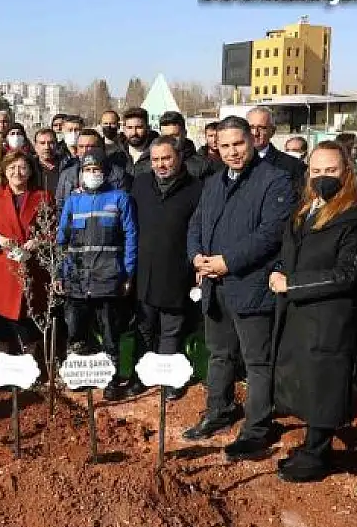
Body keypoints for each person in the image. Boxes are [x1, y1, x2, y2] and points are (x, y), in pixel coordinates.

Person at [185, 115, 295, 461]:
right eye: (225, 145)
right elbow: (197, 223)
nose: (232, 151)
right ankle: (219, 411)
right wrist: (197, 257)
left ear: (252, 141)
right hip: (215, 288)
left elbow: (269, 235)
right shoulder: (214, 182)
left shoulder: (275, 181)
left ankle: (256, 429)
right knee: (219, 355)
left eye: (239, 144)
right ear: (215, 146)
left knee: (257, 362)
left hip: (251, 288)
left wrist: (226, 262)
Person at [270, 141, 357, 483]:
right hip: (301, 312)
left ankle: (318, 454)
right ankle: (312, 446)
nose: (322, 177)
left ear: (346, 172)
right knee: (308, 380)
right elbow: (290, 252)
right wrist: (279, 272)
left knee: (325, 384)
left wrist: (294, 284)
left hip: (330, 315)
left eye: (330, 170)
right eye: (316, 170)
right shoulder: (306, 210)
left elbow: (349, 273)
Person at [126, 136, 203, 401]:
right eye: (156, 159)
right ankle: (142, 375)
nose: (161, 165)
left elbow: (200, 231)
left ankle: (170, 378)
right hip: (144, 270)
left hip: (177, 271)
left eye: (166, 158)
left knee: (171, 329)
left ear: (179, 158)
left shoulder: (196, 188)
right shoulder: (140, 184)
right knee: (144, 328)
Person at [57, 146, 137, 401]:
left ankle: (111, 380)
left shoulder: (120, 198)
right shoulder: (73, 201)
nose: (92, 174)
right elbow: (62, 240)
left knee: (110, 332)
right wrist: (60, 273)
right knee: (76, 331)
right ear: (81, 173)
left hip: (109, 276)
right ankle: (80, 378)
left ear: (106, 172)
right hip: (77, 279)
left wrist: (128, 273)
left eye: (97, 169)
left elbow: (131, 237)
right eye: (88, 169)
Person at [0, 151, 54, 361]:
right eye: (12, 168)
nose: (17, 172)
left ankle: (32, 366)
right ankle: (3, 368)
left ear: (30, 171)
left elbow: (54, 228)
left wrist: (38, 241)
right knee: (2, 322)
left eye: (22, 168)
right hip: (3, 266)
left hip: (32, 266)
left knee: (30, 317)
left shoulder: (42, 196)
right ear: (4, 171)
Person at [55, 129, 129, 210]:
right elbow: (60, 206)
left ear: (101, 147)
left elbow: (123, 206)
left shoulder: (118, 175)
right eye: (81, 146)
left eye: (91, 146)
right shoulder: (67, 174)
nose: (85, 151)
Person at [247, 106, 306, 189]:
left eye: (262, 128)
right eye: (251, 127)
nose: (255, 133)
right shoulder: (231, 163)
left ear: (272, 131)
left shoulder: (293, 166)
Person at [155, 111, 213, 180]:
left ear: (185, 134)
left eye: (175, 135)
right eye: (166, 136)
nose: (170, 140)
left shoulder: (202, 167)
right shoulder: (151, 165)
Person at [110, 107, 158, 173]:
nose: (134, 133)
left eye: (139, 127)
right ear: (124, 129)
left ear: (148, 128)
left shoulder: (157, 153)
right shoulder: (115, 154)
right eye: (129, 128)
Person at [34, 128, 70, 195]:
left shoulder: (68, 166)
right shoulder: (30, 167)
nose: (47, 147)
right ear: (36, 146)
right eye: (42, 143)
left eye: (51, 143)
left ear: (56, 144)